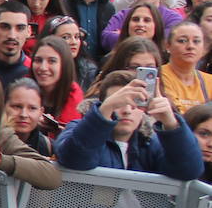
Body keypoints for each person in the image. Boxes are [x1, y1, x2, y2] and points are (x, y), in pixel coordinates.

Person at [55, 71, 202, 178]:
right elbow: (74, 159)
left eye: (135, 103)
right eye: (119, 103)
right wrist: (105, 110)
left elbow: (189, 170)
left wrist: (171, 123)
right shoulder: (76, 128)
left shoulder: (151, 142)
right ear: (103, 103)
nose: (126, 110)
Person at [160, 21, 212, 114]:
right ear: (167, 45)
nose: (190, 46)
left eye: (196, 41)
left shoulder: (210, 81)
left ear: (203, 48)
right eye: (182, 41)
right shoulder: (157, 77)